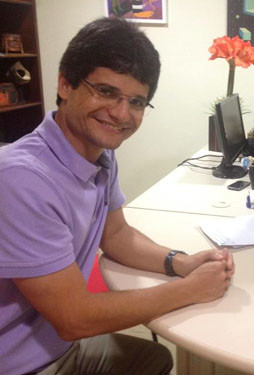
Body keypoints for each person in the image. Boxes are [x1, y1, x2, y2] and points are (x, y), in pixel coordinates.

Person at [0, 18, 234, 375]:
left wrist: (180, 263)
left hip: (59, 345)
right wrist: (189, 290)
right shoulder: (22, 179)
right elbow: (74, 318)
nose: (122, 114)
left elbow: (117, 235)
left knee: (156, 360)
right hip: (22, 364)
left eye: (137, 101)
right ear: (65, 83)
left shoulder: (100, 154)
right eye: (106, 92)